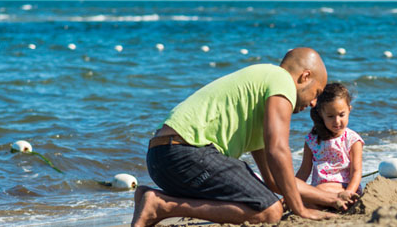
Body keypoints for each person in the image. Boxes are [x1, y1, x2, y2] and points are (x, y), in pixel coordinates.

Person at [132, 48, 354, 227]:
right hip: (187, 153)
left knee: (265, 202)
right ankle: (162, 205)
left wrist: (331, 199)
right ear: (304, 76)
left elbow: (276, 180)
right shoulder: (281, 80)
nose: (314, 104)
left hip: (160, 158)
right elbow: (278, 150)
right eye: (316, 93)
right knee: (270, 211)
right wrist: (300, 209)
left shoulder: (259, 98)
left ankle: (147, 196)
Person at [296, 83, 364, 200]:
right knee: (302, 195)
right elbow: (304, 171)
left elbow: (356, 171)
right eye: (330, 116)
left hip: (344, 188)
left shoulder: (352, 140)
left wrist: (349, 192)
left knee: (314, 193)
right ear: (321, 115)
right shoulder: (312, 140)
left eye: (341, 115)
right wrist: (291, 191)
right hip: (319, 190)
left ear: (349, 110)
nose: (337, 121)